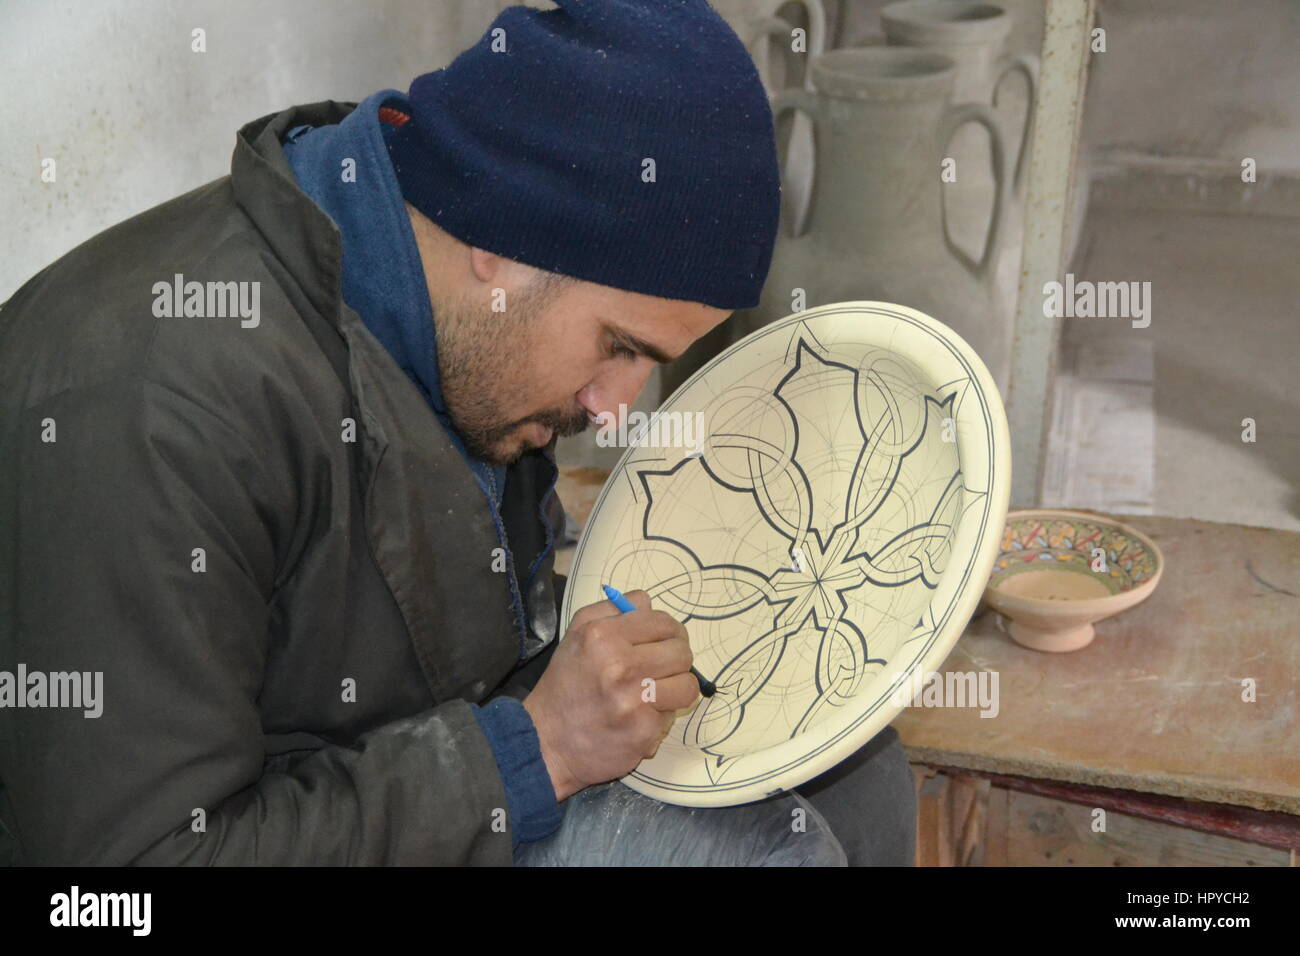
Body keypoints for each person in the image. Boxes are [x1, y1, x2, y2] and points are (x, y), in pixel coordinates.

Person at [0, 0, 914, 866]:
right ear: (504, 246)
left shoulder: (447, 310)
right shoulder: (154, 410)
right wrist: (535, 752)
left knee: (858, 777)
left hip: (380, 786)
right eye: (619, 347)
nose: (614, 408)